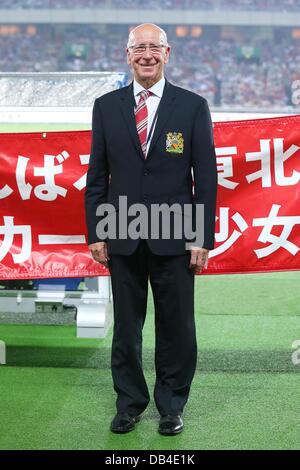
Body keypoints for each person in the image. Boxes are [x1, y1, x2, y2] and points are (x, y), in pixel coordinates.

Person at [85, 23, 217, 435]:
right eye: (138, 48)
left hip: (176, 235)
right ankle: (129, 403)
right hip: (121, 231)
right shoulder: (106, 107)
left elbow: (206, 179)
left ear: (167, 53)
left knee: (177, 326)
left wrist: (200, 237)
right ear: (127, 55)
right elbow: (97, 176)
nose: (146, 55)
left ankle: (171, 406)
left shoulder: (192, 106)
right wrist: (96, 231)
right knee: (126, 326)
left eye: (153, 48)